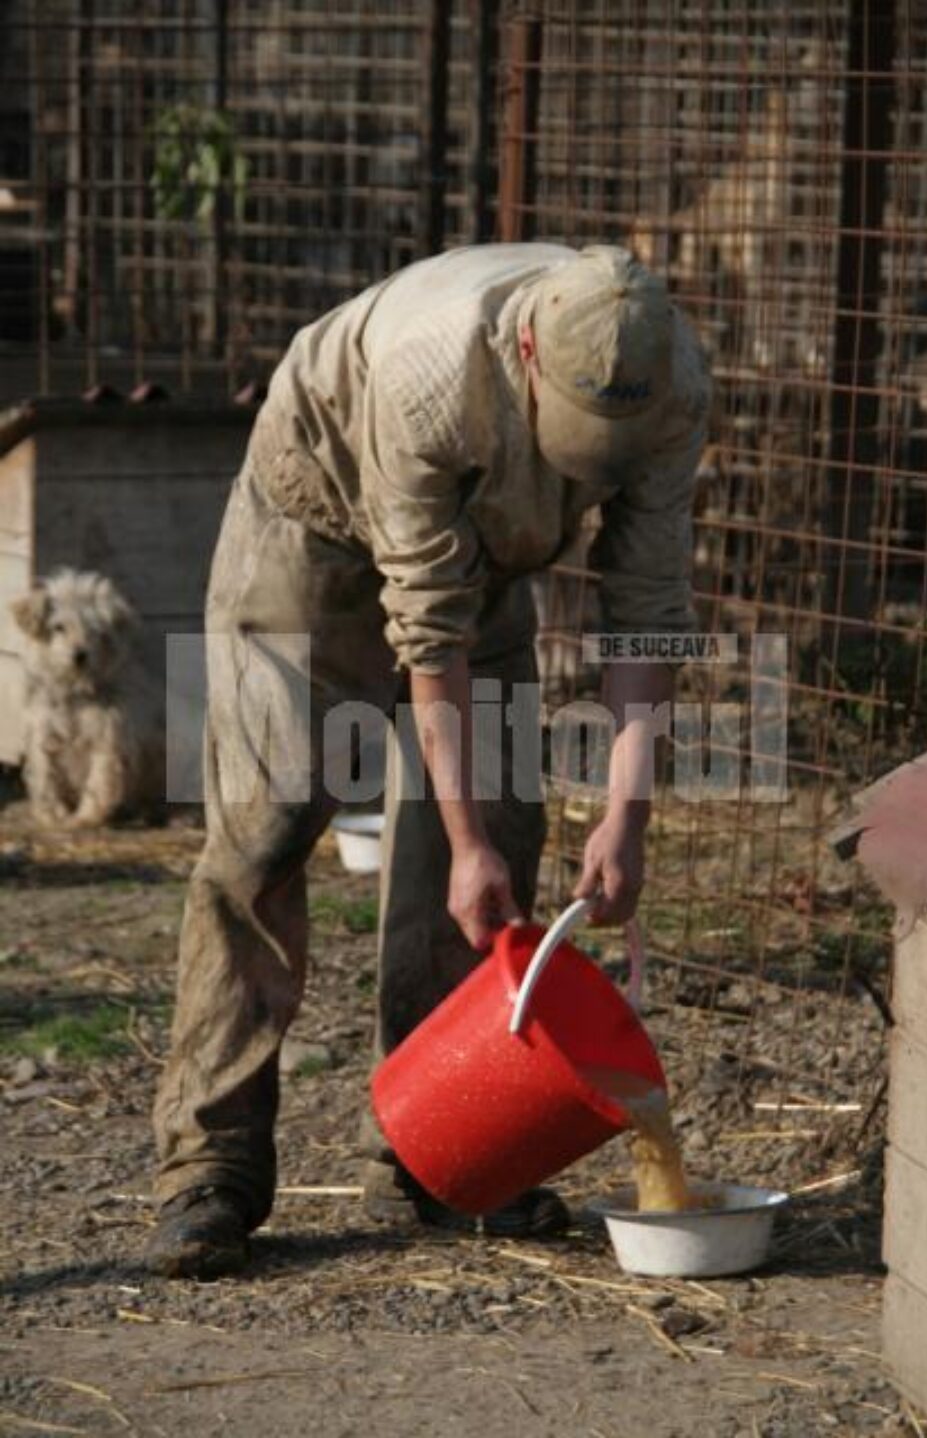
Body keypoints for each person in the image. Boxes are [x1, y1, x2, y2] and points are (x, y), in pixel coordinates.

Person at [146, 243, 711, 1279]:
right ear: (529, 351)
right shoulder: (430, 371)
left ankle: (436, 1151)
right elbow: (428, 628)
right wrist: (459, 842)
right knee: (265, 829)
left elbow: (647, 614)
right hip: (314, 522)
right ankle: (209, 1164)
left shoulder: (672, 387)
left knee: (500, 833)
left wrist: (627, 815)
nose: (590, 469)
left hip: (485, 556)